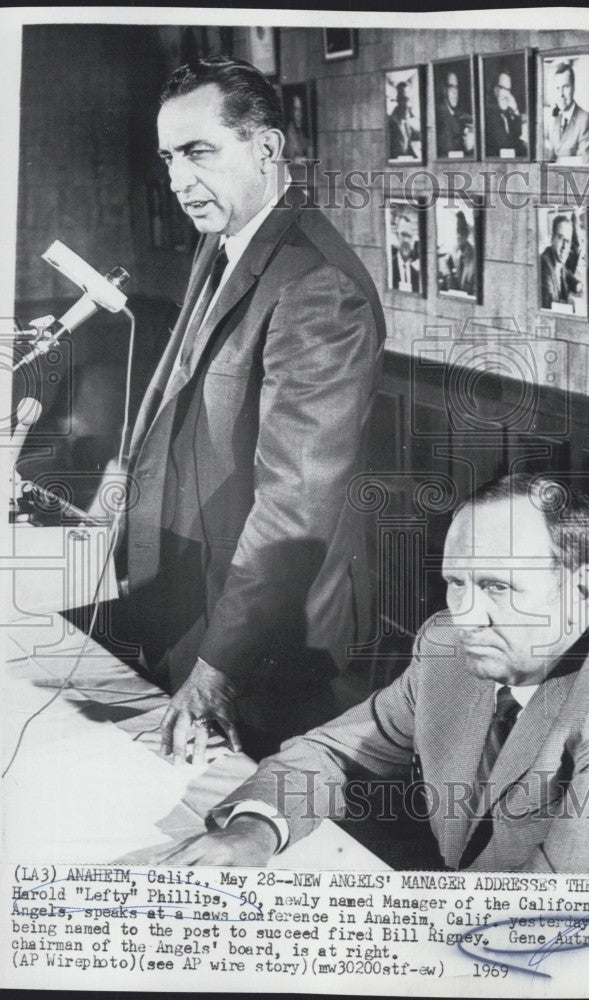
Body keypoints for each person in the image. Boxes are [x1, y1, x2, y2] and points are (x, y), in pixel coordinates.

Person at [144, 474, 589, 873]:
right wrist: (254, 831)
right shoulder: (450, 645)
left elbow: (554, 912)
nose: (467, 615)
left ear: (579, 591)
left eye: (497, 587)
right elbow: (334, 752)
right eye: (457, 582)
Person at [118, 56, 386, 763]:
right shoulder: (225, 239)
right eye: (169, 158)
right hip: (200, 601)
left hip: (273, 645)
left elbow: (294, 506)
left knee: (271, 825)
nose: (177, 181)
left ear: (265, 148)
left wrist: (217, 667)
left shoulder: (318, 285)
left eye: (198, 153)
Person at [546, 62, 589, 165]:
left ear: (573, 87)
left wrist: (557, 161)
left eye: (565, 87)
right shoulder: (556, 120)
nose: (561, 94)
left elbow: (585, 163)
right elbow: (551, 158)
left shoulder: (586, 119)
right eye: (558, 88)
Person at [540, 214, 583, 310]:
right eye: (560, 238)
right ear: (552, 238)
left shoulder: (559, 263)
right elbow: (549, 303)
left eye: (567, 241)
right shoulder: (544, 263)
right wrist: (571, 304)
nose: (564, 246)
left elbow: (567, 274)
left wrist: (577, 285)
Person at [485, 69, 527, 157]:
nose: (507, 95)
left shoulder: (508, 115)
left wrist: (515, 109)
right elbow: (506, 144)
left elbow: (517, 137)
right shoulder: (488, 116)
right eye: (503, 89)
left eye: (508, 90)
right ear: (496, 90)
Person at [441, 210, 476, 297]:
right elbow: (443, 263)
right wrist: (448, 275)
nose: (459, 235)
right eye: (457, 231)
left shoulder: (474, 255)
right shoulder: (452, 252)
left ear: (467, 232)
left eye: (462, 230)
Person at [388, 80, 421, 159]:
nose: (407, 104)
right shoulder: (392, 121)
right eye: (403, 99)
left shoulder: (414, 119)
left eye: (408, 100)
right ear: (398, 99)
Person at [390, 209, 420, 293]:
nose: (406, 240)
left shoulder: (416, 274)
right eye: (403, 234)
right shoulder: (389, 268)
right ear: (397, 236)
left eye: (409, 236)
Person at [436, 70, 464, 156]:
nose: (455, 92)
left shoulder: (453, 112)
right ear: (444, 90)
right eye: (451, 87)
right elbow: (448, 152)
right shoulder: (442, 114)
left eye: (456, 87)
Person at [284, 93, 309, 161]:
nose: (299, 114)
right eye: (296, 109)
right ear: (291, 112)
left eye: (300, 110)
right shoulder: (287, 135)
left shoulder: (302, 134)